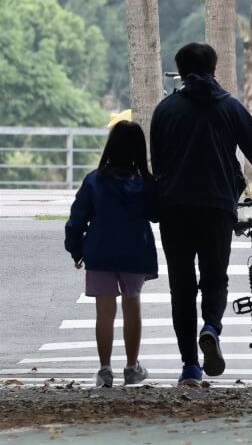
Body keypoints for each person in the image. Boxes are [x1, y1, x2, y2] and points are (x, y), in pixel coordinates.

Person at [150, 43, 252, 387]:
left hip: (174, 207)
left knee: (182, 287)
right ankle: (211, 328)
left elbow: (157, 163)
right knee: (215, 279)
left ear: (181, 71)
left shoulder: (166, 110)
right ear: (215, 70)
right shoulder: (230, 107)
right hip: (216, 206)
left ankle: (190, 366)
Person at [64, 120, 158, 387]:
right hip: (135, 253)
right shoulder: (146, 183)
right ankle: (131, 367)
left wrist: (76, 250)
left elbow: (77, 219)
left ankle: (105, 370)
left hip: (100, 252)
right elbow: (155, 214)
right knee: (132, 308)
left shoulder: (94, 180)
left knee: (104, 313)